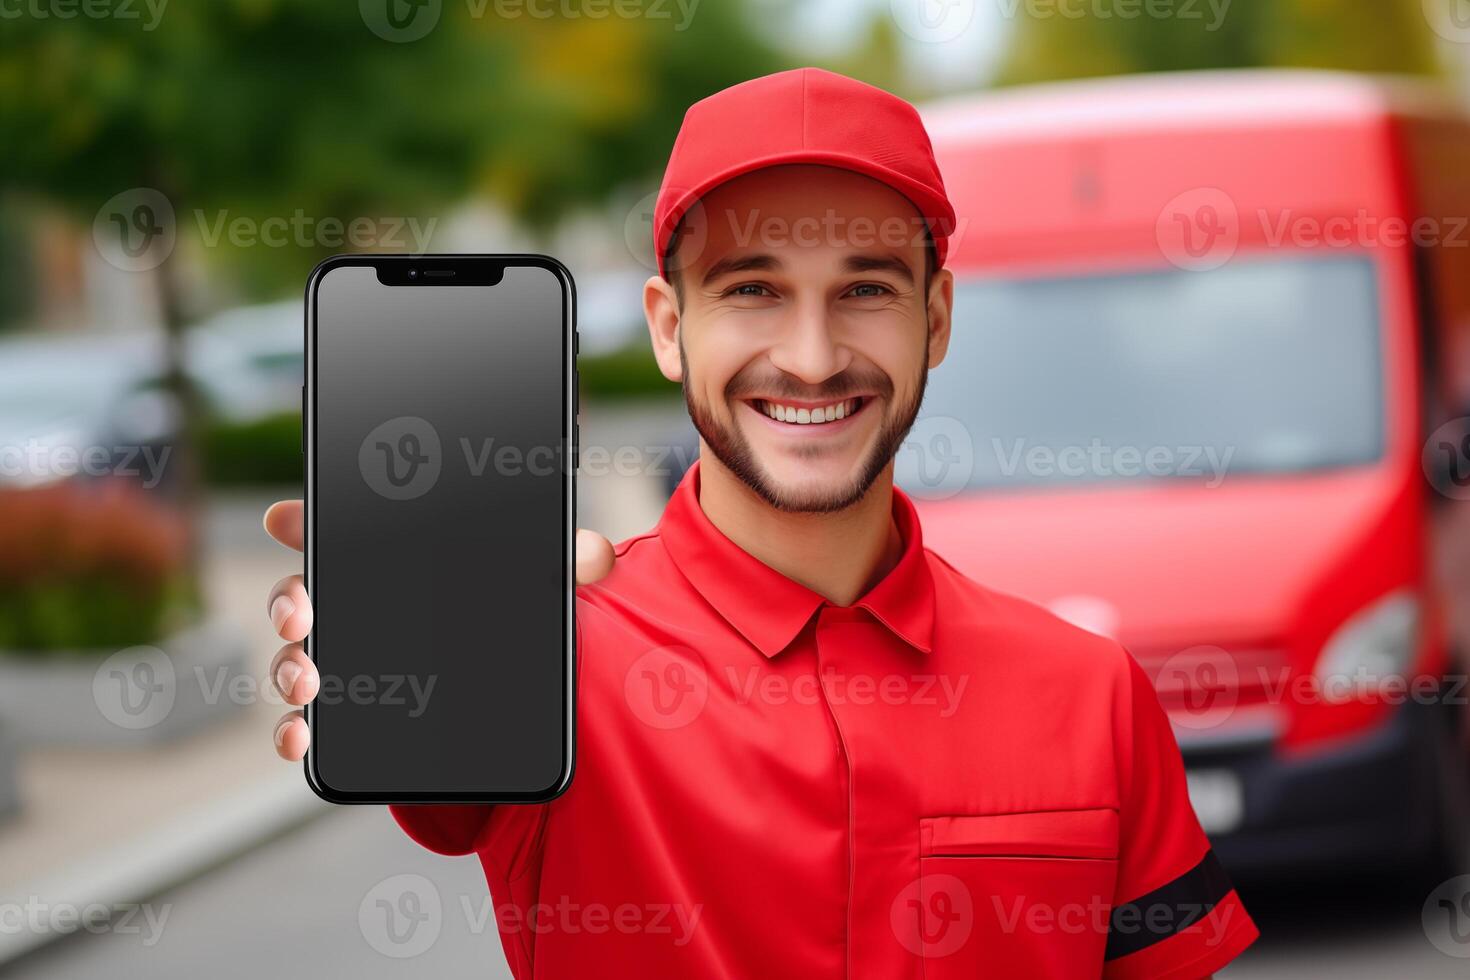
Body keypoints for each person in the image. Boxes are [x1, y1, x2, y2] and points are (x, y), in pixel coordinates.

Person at [261, 67, 1257, 979]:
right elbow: (434, 771)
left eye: (866, 289)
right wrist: (396, 637)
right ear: (667, 325)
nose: (814, 357)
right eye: (753, 290)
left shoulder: (1093, 695)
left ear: (937, 319)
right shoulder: (546, 656)